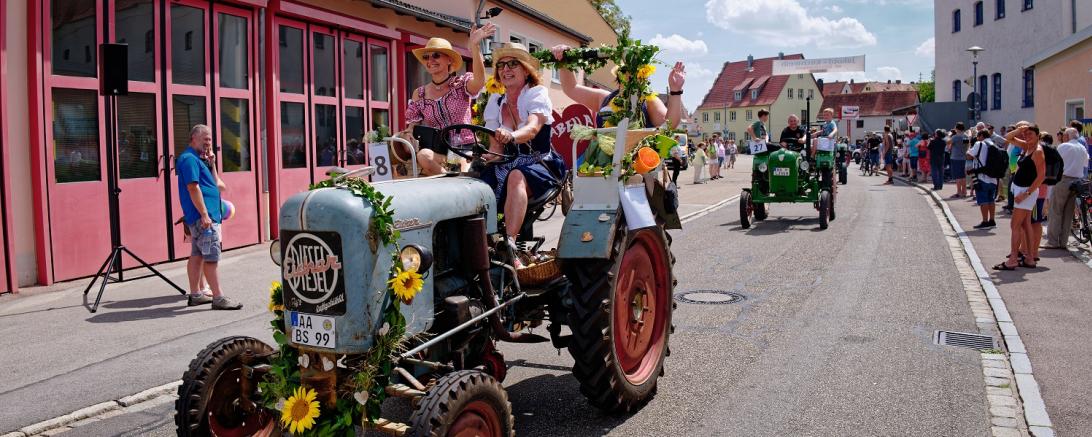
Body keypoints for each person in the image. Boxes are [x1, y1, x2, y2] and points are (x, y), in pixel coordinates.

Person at [479, 43, 563, 264]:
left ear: (526, 70)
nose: (506, 69)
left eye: (513, 64)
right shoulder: (496, 101)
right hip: (507, 163)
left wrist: (512, 136)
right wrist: (490, 156)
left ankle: (510, 244)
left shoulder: (536, 94)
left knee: (516, 175)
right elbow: (496, 148)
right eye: (501, 65)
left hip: (540, 162)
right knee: (472, 186)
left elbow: (533, 128)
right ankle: (482, 246)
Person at [404, 26, 497, 175]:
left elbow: (479, 81)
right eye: (426, 57)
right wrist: (408, 134)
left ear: (449, 60)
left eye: (436, 55)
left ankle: (456, 181)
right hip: (439, 152)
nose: (430, 60)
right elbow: (411, 126)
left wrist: (475, 46)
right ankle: (450, 181)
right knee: (423, 155)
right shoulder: (420, 93)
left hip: (466, 150)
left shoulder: (461, 84)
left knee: (462, 166)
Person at [177, 125, 242, 310]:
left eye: (210, 140)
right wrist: (205, 214)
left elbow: (219, 186)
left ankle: (196, 294)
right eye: (205, 138)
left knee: (197, 256)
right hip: (203, 218)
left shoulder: (199, 160)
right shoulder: (189, 159)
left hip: (202, 216)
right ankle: (218, 297)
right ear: (193, 138)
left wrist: (212, 163)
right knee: (211, 258)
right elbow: (193, 187)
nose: (208, 143)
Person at [552, 45, 684, 129]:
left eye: (636, 73)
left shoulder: (649, 101)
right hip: (602, 166)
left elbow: (670, 125)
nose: (630, 76)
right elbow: (571, 88)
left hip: (634, 167)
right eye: (626, 71)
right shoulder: (605, 98)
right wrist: (563, 59)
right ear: (619, 74)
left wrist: (675, 91)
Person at [995, 123, 1046, 270]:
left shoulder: (1037, 151)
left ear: (1038, 135)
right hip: (1021, 190)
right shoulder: (1027, 147)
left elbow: (1041, 176)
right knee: (1025, 225)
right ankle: (1029, 258)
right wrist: (1020, 130)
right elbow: (1007, 138)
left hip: (1025, 192)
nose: (1027, 136)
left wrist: (1026, 193)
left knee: (1015, 225)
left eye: (1031, 134)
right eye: (1026, 134)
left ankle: (1013, 259)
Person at [1043, 127, 1091, 248]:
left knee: (1056, 211)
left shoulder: (1064, 146)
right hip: (1077, 182)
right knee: (1068, 213)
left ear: (1067, 136)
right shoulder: (1082, 148)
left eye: (1064, 135)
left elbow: (1056, 162)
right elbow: (1085, 164)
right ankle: (1063, 242)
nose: (1063, 137)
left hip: (1063, 179)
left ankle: (1052, 241)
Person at [968, 130, 998, 229]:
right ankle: (992, 220)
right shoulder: (993, 144)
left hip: (982, 177)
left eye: (977, 136)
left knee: (983, 200)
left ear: (981, 136)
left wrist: (969, 144)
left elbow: (969, 156)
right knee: (991, 200)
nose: (977, 138)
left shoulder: (979, 143)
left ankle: (985, 221)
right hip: (993, 177)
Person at [948, 123, 969, 197]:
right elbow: (966, 147)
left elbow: (948, 143)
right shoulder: (966, 136)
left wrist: (949, 135)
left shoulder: (955, 137)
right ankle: (964, 191)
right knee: (963, 176)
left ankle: (959, 192)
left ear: (957, 128)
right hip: (963, 157)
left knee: (958, 176)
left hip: (955, 157)